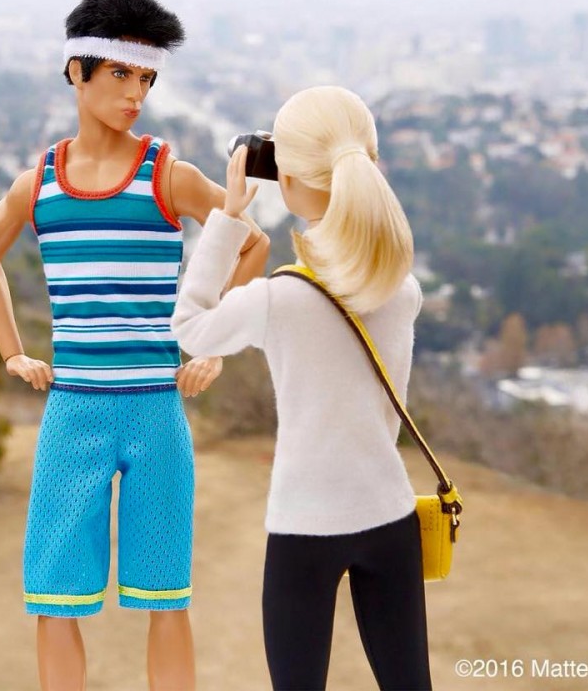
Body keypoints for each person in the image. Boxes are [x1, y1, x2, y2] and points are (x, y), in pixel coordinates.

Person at [0, 0, 269, 691]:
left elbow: (249, 246)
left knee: (167, 595)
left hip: (157, 410)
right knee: (55, 593)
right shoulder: (37, 183)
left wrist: (209, 345)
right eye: (120, 74)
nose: (137, 93)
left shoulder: (167, 173)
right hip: (71, 409)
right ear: (77, 71)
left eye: (147, 78)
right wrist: (11, 349)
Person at [171, 85, 433, 690]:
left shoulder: (279, 300)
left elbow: (190, 329)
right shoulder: (403, 292)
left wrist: (230, 216)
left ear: (284, 181)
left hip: (304, 527)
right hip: (390, 517)